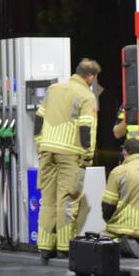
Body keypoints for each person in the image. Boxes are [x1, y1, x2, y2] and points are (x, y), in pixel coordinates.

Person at [34, 58, 100, 263]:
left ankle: (45, 246)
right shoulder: (86, 96)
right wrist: (87, 155)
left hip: (47, 149)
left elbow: (39, 118)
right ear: (90, 76)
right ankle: (64, 246)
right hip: (70, 153)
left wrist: (40, 144)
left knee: (48, 199)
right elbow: (86, 127)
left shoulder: (53, 89)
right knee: (67, 200)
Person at [101, 138, 139, 258]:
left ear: (125, 152)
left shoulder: (119, 172)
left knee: (104, 237)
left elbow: (108, 207)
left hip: (127, 229)